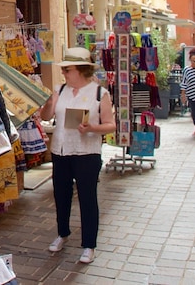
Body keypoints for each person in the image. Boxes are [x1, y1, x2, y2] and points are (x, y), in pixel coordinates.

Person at [39, 47, 116, 265]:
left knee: (87, 198)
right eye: (63, 70)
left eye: (68, 69)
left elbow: (110, 125)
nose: (64, 73)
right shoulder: (60, 90)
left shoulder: (99, 93)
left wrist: (92, 128)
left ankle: (89, 245)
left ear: (81, 70)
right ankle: (62, 233)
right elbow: (46, 116)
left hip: (86, 153)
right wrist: (47, 105)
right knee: (61, 195)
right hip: (61, 150)